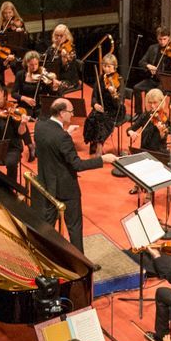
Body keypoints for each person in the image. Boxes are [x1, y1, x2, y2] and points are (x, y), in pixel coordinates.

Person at [31, 98, 101, 246]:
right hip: (65, 189)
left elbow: (51, 146)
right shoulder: (62, 137)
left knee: (47, 224)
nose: (73, 114)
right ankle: (81, 263)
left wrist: (65, 133)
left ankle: (42, 253)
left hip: (46, 183)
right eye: (70, 112)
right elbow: (77, 164)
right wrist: (102, 160)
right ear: (62, 113)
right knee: (74, 227)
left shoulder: (40, 126)